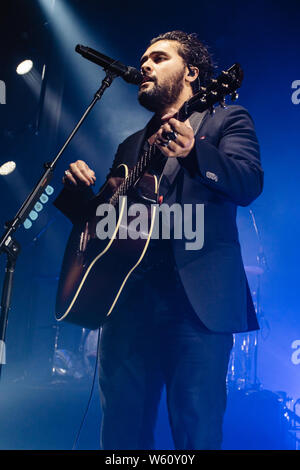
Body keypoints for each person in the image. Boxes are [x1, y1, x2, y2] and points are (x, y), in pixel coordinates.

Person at [54, 30, 264, 450]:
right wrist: (78, 193)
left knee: (196, 431)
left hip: (197, 305)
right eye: (144, 58)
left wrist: (194, 153)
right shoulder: (131, 145)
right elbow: (102, 226)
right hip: (126, 303)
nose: (145, 65)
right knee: (122, 433)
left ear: (191, 74)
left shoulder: (226, 118)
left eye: (158, 58)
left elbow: (248, 183)